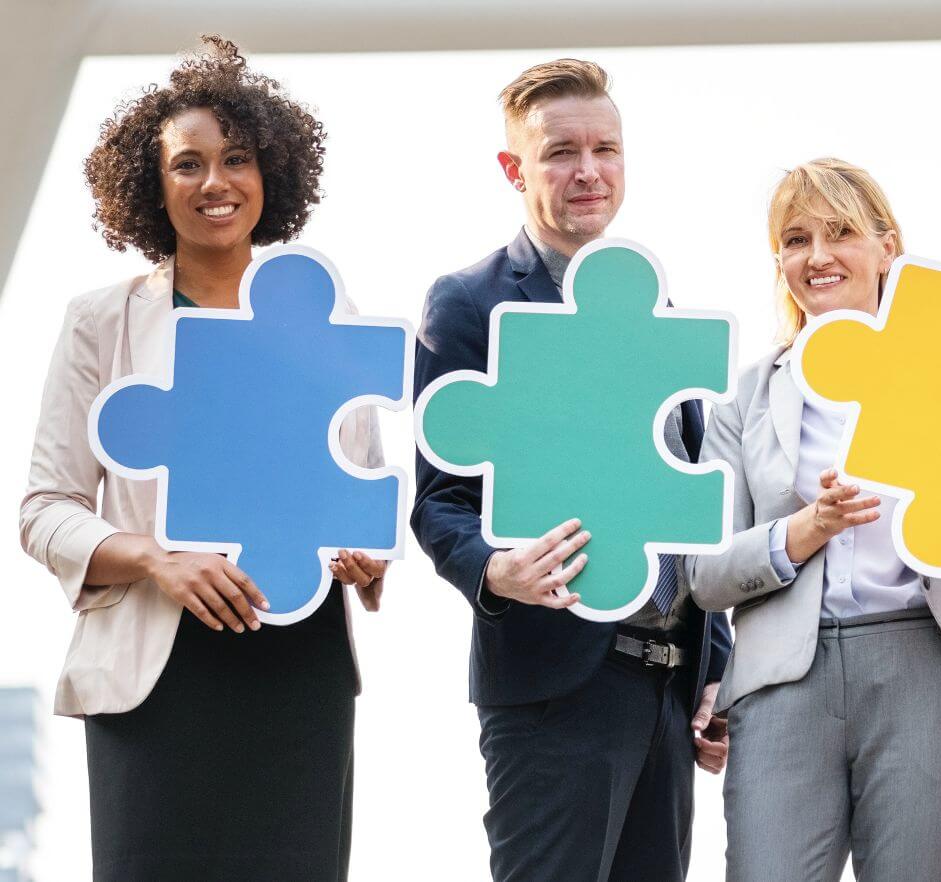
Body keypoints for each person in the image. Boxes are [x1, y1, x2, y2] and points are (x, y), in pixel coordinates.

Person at [17, 37, 388, 881]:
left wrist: (365, 561)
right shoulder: (100, 322)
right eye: (188, 164)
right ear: (153, 187)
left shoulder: (330, 318)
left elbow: (358, 493)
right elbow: (45, 510)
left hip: (298, 662)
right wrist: (155, 559)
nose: (215, 183)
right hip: (156, 671)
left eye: (238, 159)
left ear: (272, 175)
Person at [409, 58, 732, 882]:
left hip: (668, 692)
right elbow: (438, 500)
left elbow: (691, 504)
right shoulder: (472, 302)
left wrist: (715, 664)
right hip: (555, 685)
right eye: (560, 152)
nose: (588, 170)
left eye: (606, 148)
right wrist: (496, 571)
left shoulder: (661, 313)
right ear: (514, 170)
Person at [686, 158, 941, 882]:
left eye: (841, 233)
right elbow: (704, 574)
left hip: (926, 663)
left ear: (888, 247)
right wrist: (807, 527)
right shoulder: (747, 399)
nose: (817, 257)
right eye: (795, 240)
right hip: (787, 680)